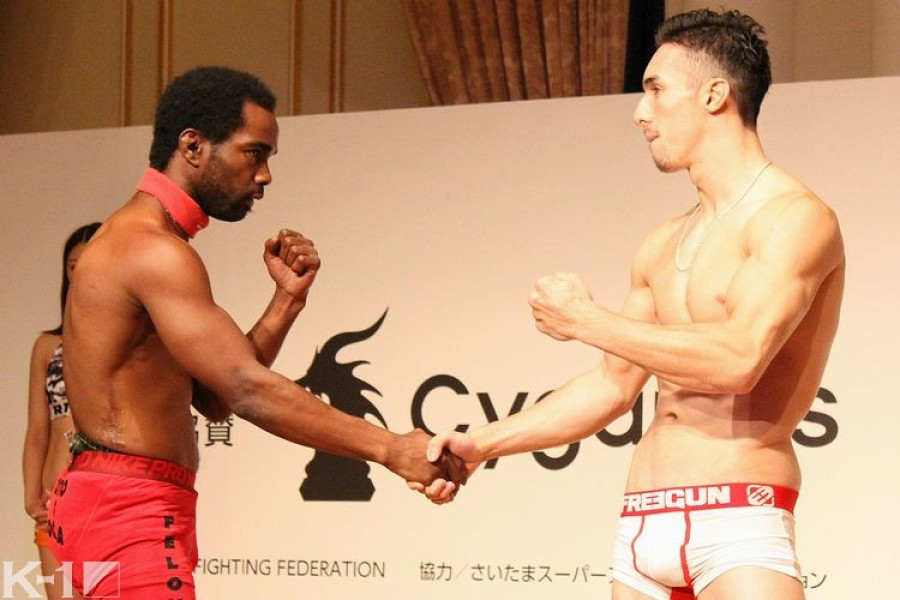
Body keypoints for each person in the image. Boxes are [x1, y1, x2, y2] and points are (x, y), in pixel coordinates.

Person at [416, 9, 844, 600]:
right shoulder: (663, 241)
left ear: (714, 94)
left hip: (737, 518)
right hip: (643, 522)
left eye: (656, 90)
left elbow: (738, 360)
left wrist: (587, 320)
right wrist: (484, 444)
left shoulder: (794, 218)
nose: (640, 112)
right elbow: (612, 387)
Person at [47, 66, 465, 599]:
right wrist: (390, 448)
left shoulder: (143, 242)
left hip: (122, 501)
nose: (265, 176)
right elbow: (245, 389)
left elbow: (215, 398)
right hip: (130, 509)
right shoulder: (152, 250)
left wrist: (286, 300)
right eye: (254, 153)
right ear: (193, 146)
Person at [22, 222, 100, 600]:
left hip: (103, 491)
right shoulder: (47, 345)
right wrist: (31, 495)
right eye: (73, 265)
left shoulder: (127, 341)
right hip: (54, 494)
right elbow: (37, 430)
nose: (80, 271)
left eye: (90, 262)